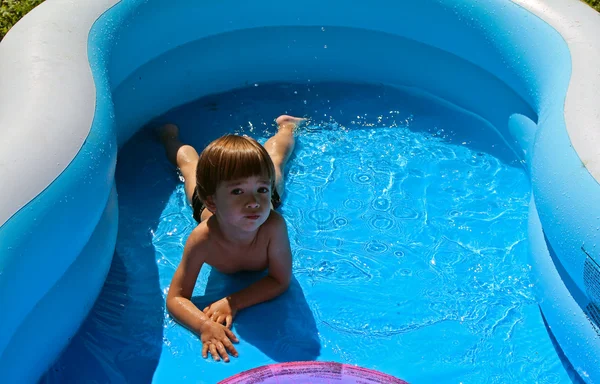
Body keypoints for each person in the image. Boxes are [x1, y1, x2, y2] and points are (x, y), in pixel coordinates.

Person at [159, 115, 306, 363]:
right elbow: (176, 298)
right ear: (213, 202)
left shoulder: (271, 224)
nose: (253, 202)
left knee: (276, 160)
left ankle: (287, 126)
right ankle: (169, 138)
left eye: (261, 189)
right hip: (206, 208)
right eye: (237, 191)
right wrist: (204, 325)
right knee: (189, 166)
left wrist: (233, 302)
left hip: (254, 201)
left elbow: (280, 280)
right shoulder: (203, 238)